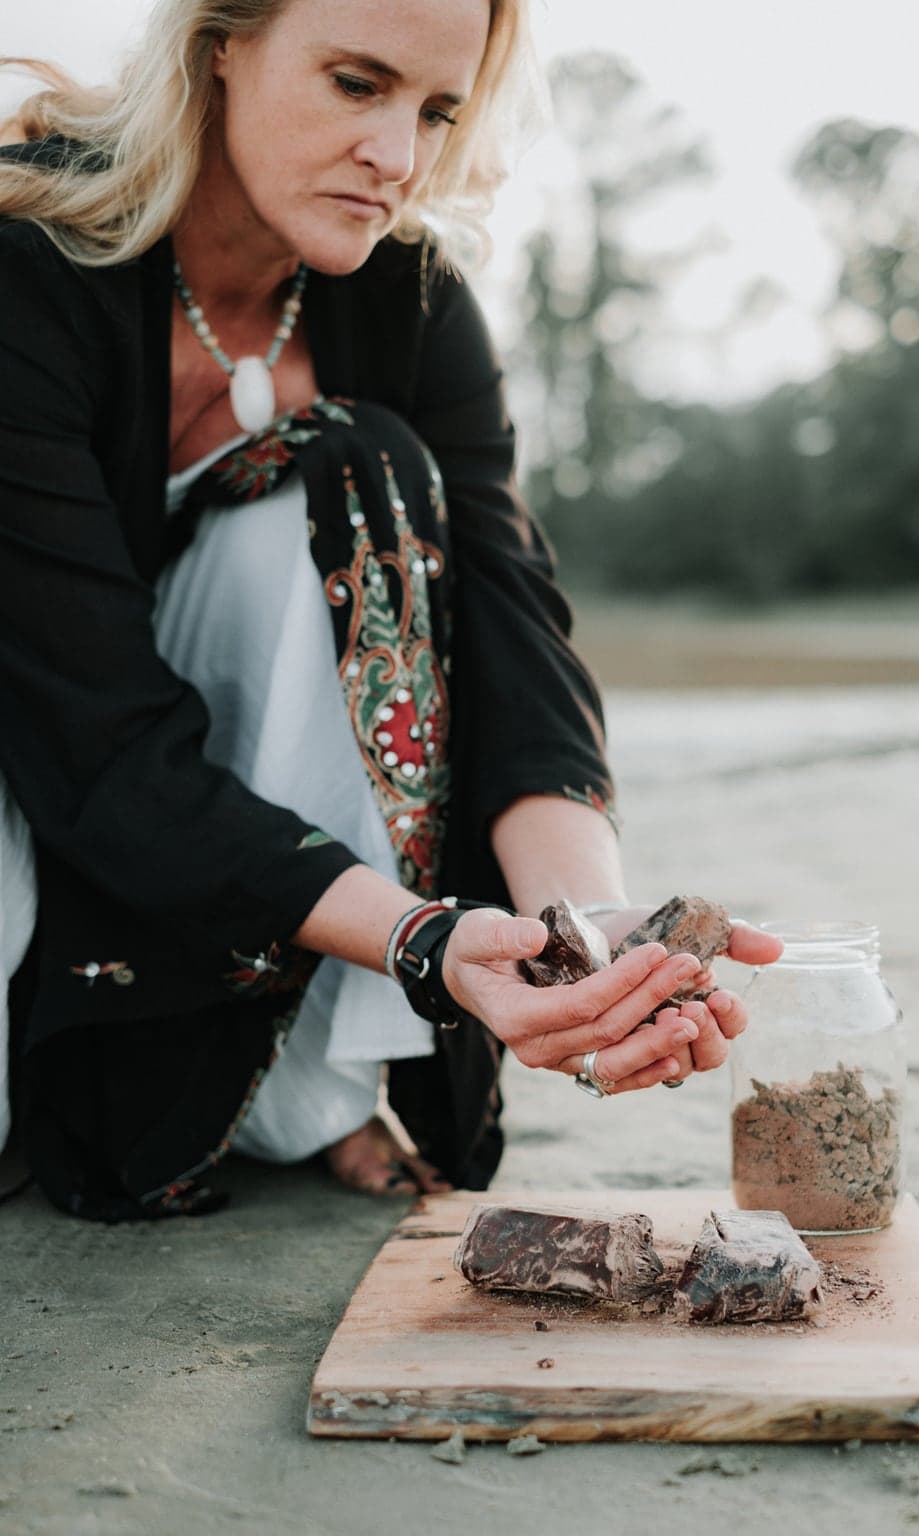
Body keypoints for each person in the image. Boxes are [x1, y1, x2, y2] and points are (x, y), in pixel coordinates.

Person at [0, 0, 782, 1222]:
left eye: (434, 109)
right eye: (356, 84)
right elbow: (85, 717)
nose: (399, 158)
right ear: (220, 46)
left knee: (364, 472)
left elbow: (518, 629)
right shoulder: (28, 265)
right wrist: (424, 943)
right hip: (39, 751)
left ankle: (299, 1081)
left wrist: (575, 929)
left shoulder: (410, 300)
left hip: (211, 828)